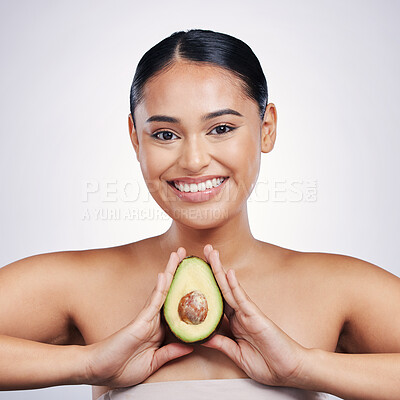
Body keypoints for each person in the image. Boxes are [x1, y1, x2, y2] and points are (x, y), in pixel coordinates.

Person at [1, 29, 399, 400]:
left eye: (221, 128)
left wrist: (305, 366)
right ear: (134, 138)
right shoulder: (81, 284)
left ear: (267, 128)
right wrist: (88, 363)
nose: (193, 161)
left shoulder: (338, 289)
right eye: (165, 135)